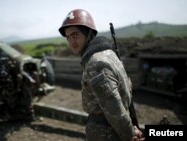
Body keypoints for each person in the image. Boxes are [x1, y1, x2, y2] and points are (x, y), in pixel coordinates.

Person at [58, 9, 144, 141]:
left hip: (105, 132)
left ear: (89, 33)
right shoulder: (108, 53)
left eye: (75, 34)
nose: (71, 41)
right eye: (68, 37)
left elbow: (114, 110)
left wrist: (130, 135)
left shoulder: (96, 63)